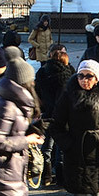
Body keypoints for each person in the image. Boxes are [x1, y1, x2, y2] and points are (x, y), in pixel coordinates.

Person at [49, 60, 99, 196]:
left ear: (96, 78)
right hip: (76, 150)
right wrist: (67, 144)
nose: (84, 80)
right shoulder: (69, 93)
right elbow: (56, 124)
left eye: (89, 76)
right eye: (80, 76)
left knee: (97, 194)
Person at [0, 53, 43, 196]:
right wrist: (26, 140)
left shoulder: (13, 100)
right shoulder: (7, 105)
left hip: (9, 168)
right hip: (3, 171)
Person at [34, 45, 74, 186]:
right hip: (63, 115)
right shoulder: (68, 74)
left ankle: (46, 176)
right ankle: (62, 177)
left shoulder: (42, 72)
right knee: (61, 147)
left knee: (47, 147)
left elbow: (37, 93)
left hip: (47, 113)